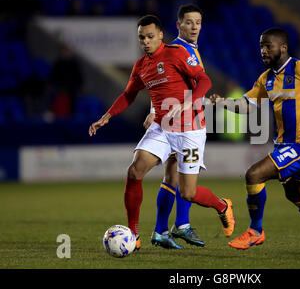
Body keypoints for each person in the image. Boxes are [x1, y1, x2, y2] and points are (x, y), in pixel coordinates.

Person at [89, 15, 235, 251]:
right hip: (162, 127)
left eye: (149, 36)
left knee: (187, 193)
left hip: (190, 130)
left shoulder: (177, 53)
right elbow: (128, 95)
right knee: (135, 171)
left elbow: (204, 81)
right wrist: (107, 116)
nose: (145, 42)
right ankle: (134, 234)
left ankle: (222, 205)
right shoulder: (140, 66)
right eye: (141, 38)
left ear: (160, 35)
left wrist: (189, 102)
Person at [211, 27, 300, 255]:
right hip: (283, 146)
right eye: (261, 46)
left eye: (268, 46)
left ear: (284, 48)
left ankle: (255, 231)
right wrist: (222, 103)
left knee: (254, 174)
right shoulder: (266, 79)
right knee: (296, 194)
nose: (263, 51)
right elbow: (246, 105)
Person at [143, 4, 207, 248]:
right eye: (189, 22)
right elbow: (161, 82)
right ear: (178, 24)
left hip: (181, 119)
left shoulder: (190, 49)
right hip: (182, 124)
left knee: (171, 176)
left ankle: (163, 230)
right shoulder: (179, 48)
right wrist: (153, 111)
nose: (194, 27)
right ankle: (181, 225)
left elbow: (167, 82)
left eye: (198, 22)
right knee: (181, 178)